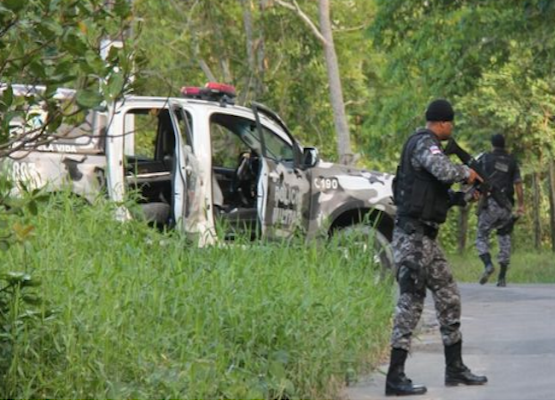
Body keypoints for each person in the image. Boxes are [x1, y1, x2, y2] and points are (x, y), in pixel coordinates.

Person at [385, 99, 488, 396]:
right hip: (412, 238)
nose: (451, 128)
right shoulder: (424, 143)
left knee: (448, 296)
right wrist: (468, 173)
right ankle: (394, 377)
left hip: (427, 239)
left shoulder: (432, 149)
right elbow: (444, 171)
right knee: (410, 303)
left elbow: (442, 196)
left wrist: (470, 194)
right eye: (450, 123)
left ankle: (454, 368)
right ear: (442, 122)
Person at [475, 133, 524, 287]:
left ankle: (488, 265)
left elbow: (475, 178)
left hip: (489, 204)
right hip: (506, 206)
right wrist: (521, 205)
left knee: (482, 236)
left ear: (492, 144)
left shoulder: (485, 158)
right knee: (504, 238)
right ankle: (502, 278)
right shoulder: (512, 161)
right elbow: (518, 185)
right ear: (504, 145)